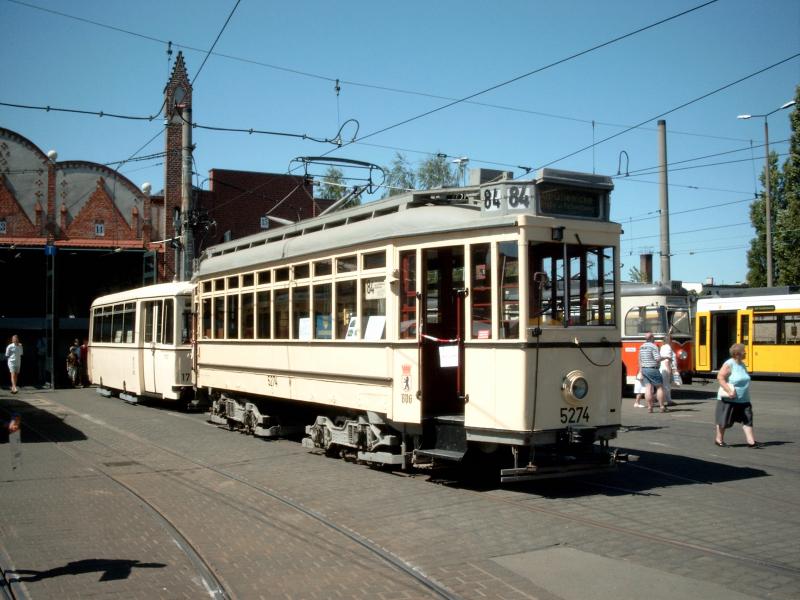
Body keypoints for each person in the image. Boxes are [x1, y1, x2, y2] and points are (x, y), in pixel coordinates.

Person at [715, 343, 762, 448]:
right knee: (724, 420)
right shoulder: (729, 364)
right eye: (743, 351)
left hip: (744, 398)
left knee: (748, 419)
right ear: (737, 354)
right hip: (729, 398)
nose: (745, 352)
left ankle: (751, 442)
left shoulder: (742, 364)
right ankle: (719, 440)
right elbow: (720, 377)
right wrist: (729, 391)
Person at [638, 331, 667, 413]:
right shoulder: (653, 346)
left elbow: (640, 360)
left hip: (644, 369)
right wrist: (665, 357)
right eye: (653, 337)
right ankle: (662, 406)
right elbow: (657, 358)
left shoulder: (641, 347)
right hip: (653, 369)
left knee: (648, 387)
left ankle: (650, 407)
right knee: (659, 387)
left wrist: (641, 370)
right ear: (651, 338)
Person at [659, 334, 680, 407]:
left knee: (666, 385)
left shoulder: (663, 347)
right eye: (672, 339)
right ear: (669, 340)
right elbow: (667, 360)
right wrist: (669, 370)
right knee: (666, 386)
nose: (673, 341)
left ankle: (668, 400)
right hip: (666, 368)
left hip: (663, 368)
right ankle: (657, 399)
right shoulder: (668, 347)